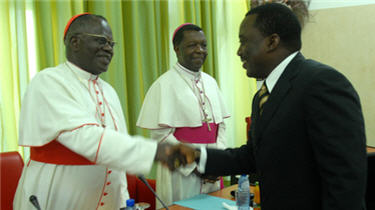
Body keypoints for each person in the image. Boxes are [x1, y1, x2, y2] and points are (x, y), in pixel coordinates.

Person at [179, 3, 367, 210]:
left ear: (272, 42)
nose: (239, 52)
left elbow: (346, 181)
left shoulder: (322, 83)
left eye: (244, 42)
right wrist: (197, 156)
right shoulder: (264, 94)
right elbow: (253, 156)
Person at [13, 13, 185, 210]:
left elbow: (116, 158)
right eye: (102, 41)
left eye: (112, 44)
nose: (109, 49)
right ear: (75, 42)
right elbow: (87, 138)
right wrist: (155, 151)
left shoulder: (109, 91)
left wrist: (123, 202)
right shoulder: (48, 81)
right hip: (57, 197)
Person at [136, 23, 230, 208]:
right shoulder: (163, 85)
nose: (199, 50)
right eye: (192, 45)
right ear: (177, 49)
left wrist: (216, 162)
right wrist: (195, 166)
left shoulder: (211, 82)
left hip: (211, 168)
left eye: (203, 45)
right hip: (181, 171)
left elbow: (221, 127)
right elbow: (160, 136)